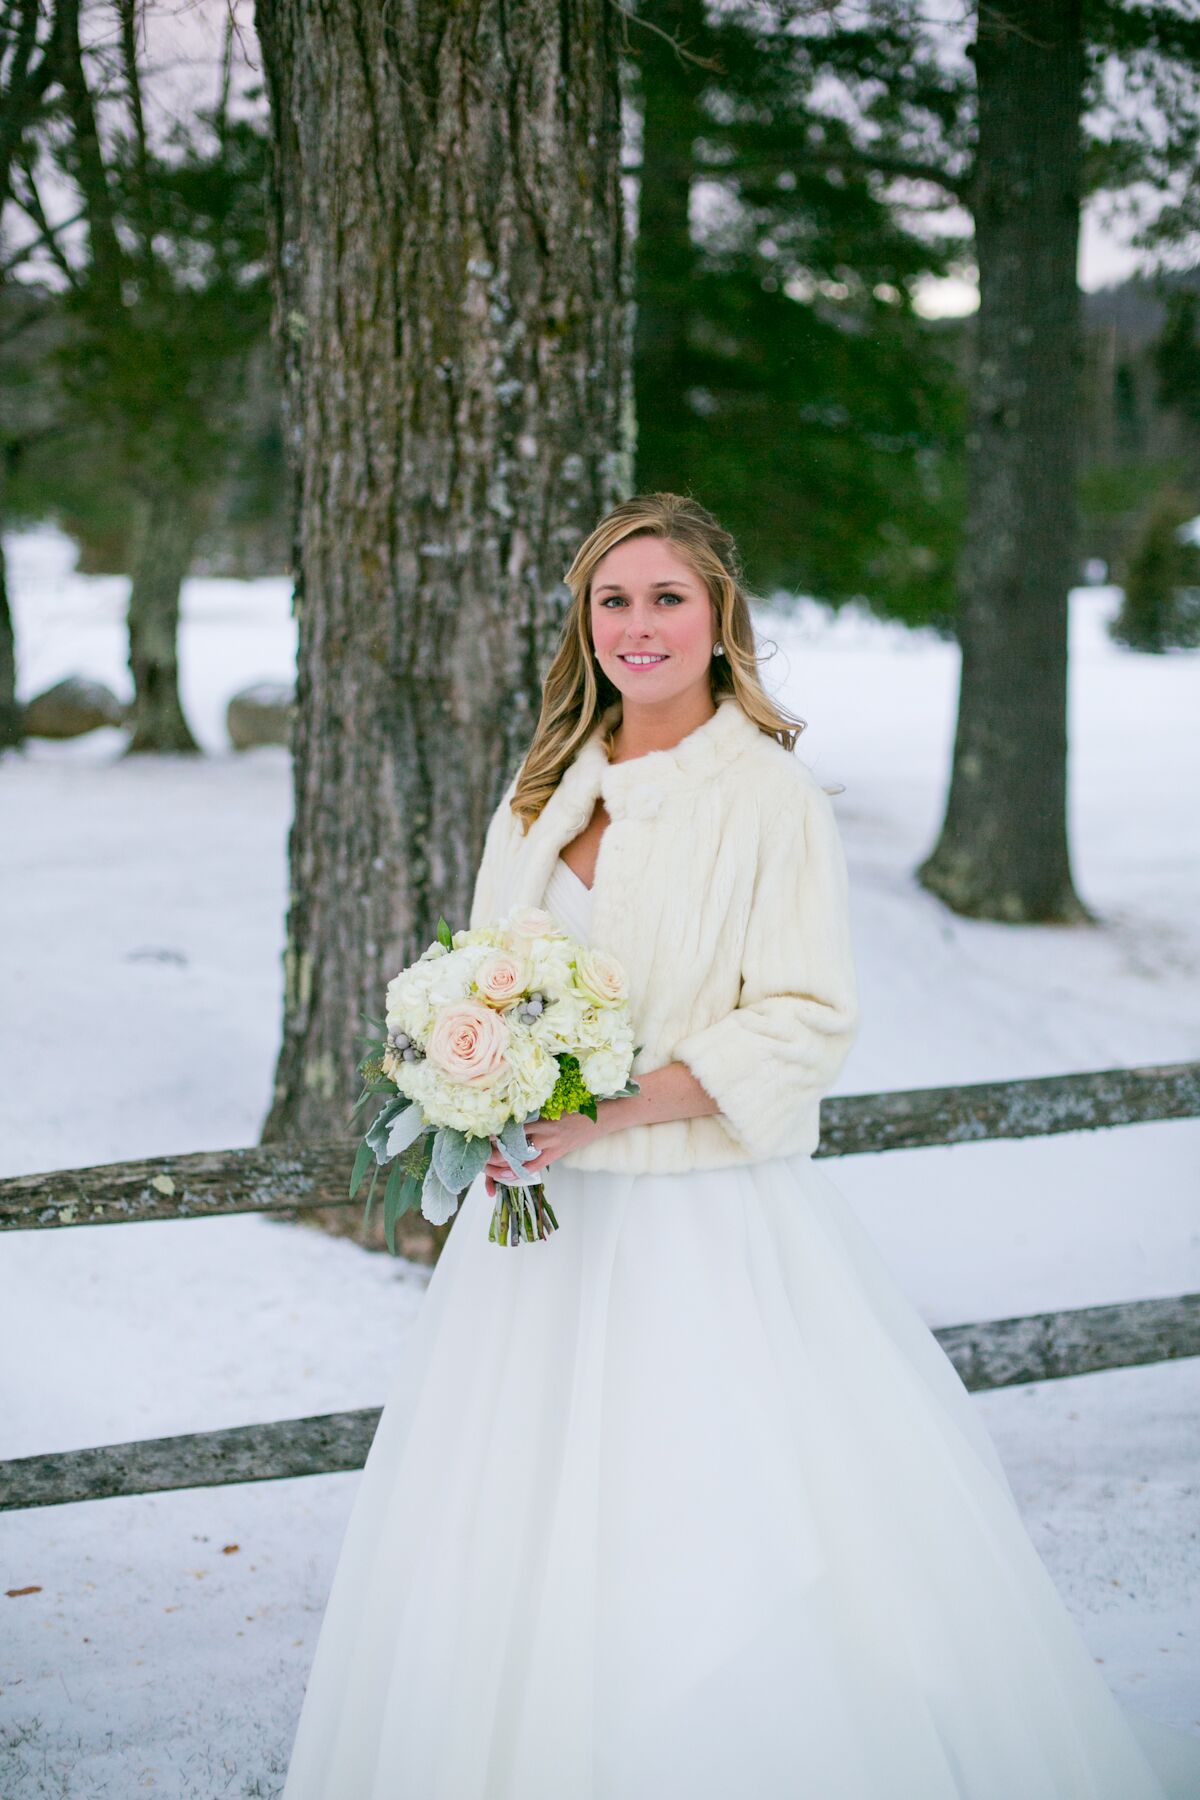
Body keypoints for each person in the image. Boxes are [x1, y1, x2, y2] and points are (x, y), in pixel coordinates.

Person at [280, 494, 1200, 1798]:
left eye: (667, 598)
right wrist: (474, 1090)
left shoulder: (769, 796)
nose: (638, 625)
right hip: (535, 1238)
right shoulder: (544, 790)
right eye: (613, 599)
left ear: (721, 619)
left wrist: (619, 1105)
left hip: (697, 1222)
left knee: (705, 1545)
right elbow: (491, 974)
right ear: (582, 622)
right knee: (512, 1545)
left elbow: (807, 1017)